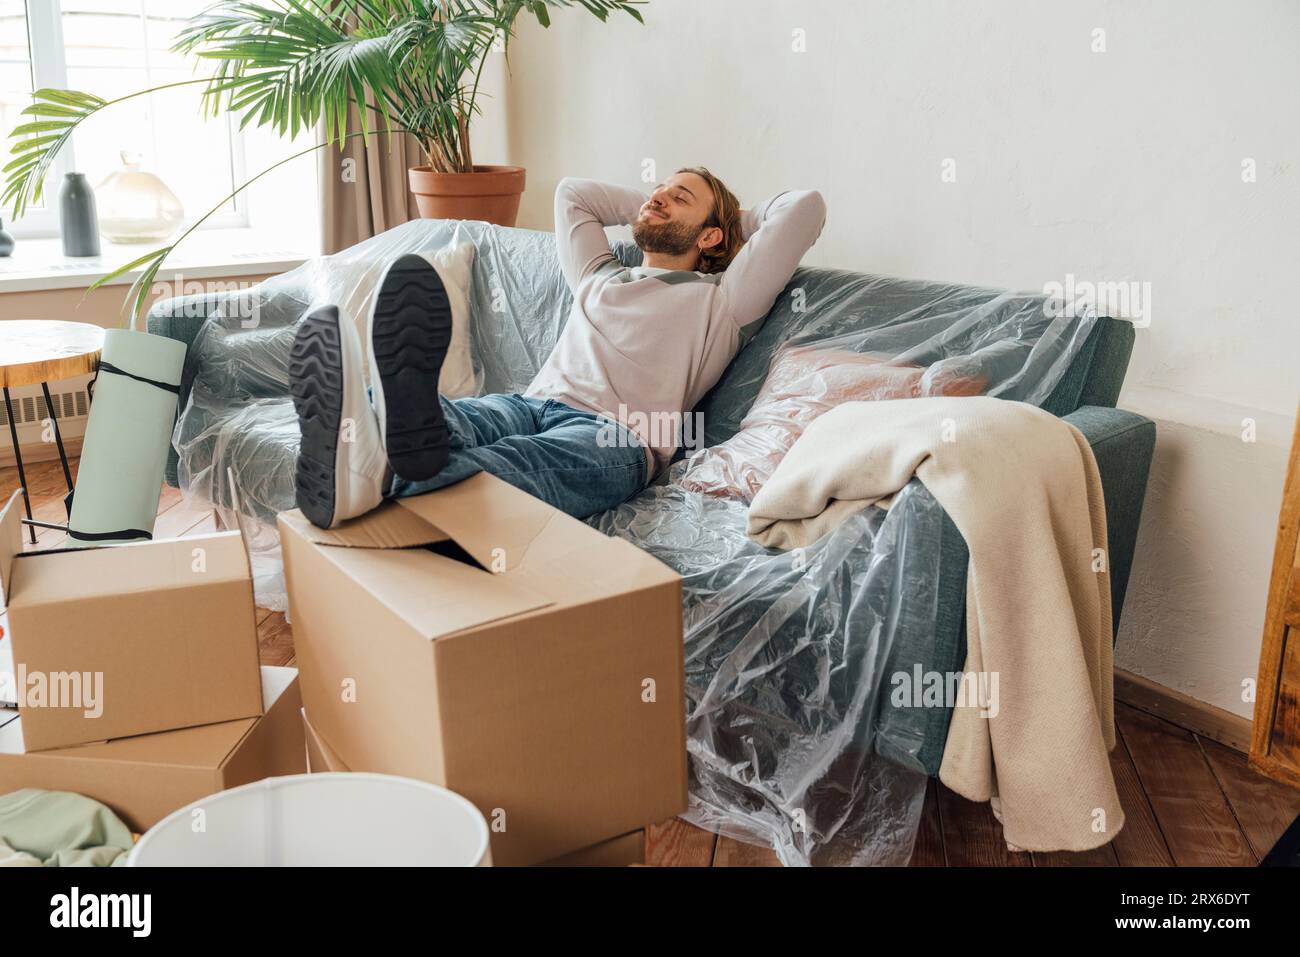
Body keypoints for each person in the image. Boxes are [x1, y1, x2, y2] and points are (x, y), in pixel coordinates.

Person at [289, 168, 827, 529]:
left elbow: (805, 207)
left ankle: (373, 469)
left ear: (710, 237)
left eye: (678, 197)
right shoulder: (598, 276)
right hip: (528, 403)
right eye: (656, 190)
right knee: (451, 418)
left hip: (617, 438)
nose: (657, 196)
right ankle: (370, 431)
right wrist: (659, 207)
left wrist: (735, 222)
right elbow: (573, 193)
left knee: (513, 464)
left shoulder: (725, 301)